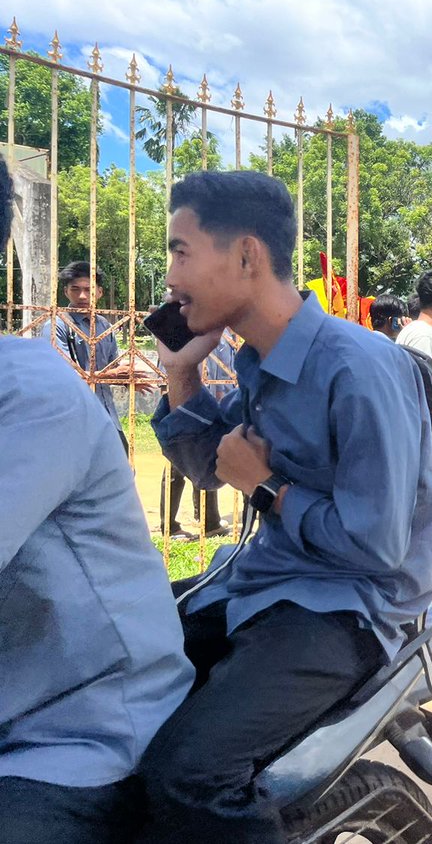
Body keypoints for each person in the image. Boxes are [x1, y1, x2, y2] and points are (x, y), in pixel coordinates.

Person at [141, 170, 432, 842]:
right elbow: (209, 469)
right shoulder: (258, 362)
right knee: (111, 678)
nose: (170, 276)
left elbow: (377, 545)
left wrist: (269, 488)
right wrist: (182, 373)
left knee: (189, 777)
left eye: (180, 251)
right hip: (268, 584)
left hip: (349, 607)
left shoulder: (357, 368)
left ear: (247, 256)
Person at [0, 157, 194, 844]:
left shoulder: (27, 392)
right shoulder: (58, 336)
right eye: (78, 286)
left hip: (74, 725)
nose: (85, 294)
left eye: (91, 286)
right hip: (99, 427)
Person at [42, 261, 153, 450]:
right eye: (75, 289)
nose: (82, 296)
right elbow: (62, 376)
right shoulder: (57, 325)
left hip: (106, 416)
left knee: (122, 469)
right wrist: (110, 375)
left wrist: (128, 379)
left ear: (99, 292)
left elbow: (112, 367)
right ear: (65, 292)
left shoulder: (104, 326)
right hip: (73, 418)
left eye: (88, 289)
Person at [160, 335, 237, 539]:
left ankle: (210, 521)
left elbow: (227, 374)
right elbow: (168, 370)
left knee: (210, 462)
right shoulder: (188, 328)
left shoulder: (231, 337)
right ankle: (168, 524)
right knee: (177, 466)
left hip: (218, 407)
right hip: (188, 405)